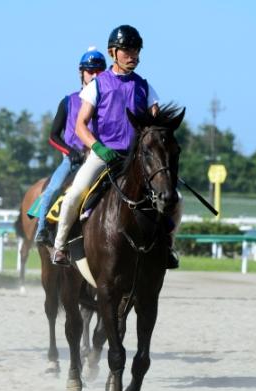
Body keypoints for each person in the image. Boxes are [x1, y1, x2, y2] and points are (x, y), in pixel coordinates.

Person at [53, 25, 179, 268]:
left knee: (174, 197)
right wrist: (97, 148)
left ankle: (167, 248)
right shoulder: (98, 85)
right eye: (127, 50)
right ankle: (59, 246)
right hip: (104, 155)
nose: (133, 55)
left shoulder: (145, 86)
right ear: (113, 52)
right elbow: (81, 125)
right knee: (74, 194)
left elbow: (155, 122)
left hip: (137, 159)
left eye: (136, 50)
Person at [35, 48, 107, 246]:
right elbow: (53, 136)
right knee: (54, 188)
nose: (94, 75)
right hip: (72, 160)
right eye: (90, 71)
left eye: (99, 72)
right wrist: (70, 152)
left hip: (99, 158)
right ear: (81, 72)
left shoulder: (108, 102)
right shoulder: (68, 102)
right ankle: (42, 229)